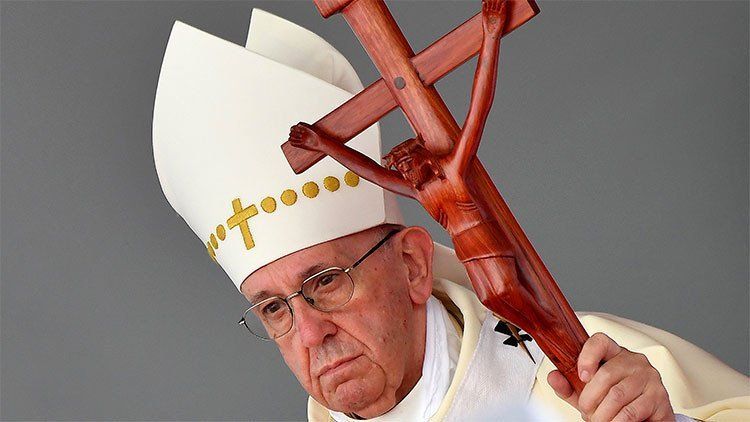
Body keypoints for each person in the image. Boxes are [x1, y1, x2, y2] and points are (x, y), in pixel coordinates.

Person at [151, 6, 750, 422]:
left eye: (326, 282)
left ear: (413, 265)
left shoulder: (586, 373)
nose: (311, 335)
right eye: (274, 310)